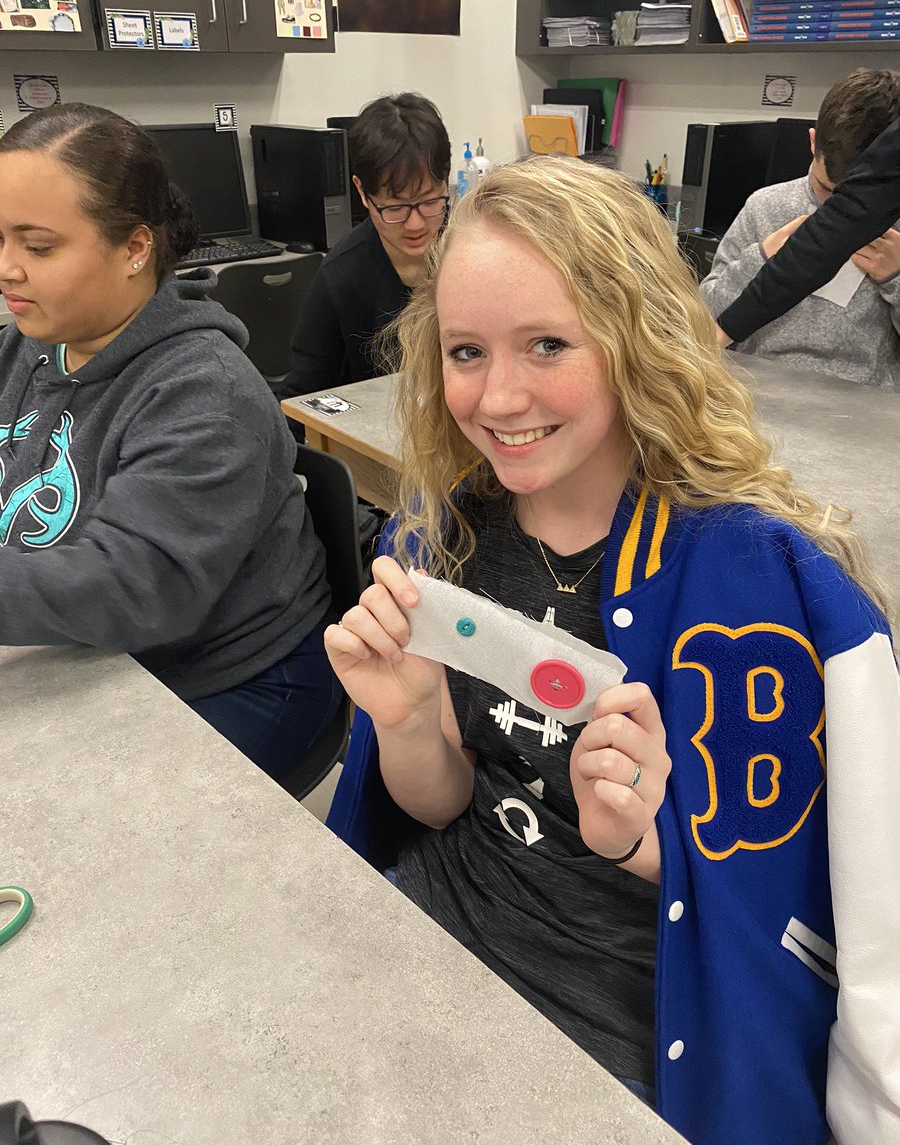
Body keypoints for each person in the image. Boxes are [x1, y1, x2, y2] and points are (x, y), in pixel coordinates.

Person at [323, 155, 900, 1145]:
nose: (499, 398)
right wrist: (408, 718)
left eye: (546, 344)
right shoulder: (445, 540)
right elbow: (439, 803)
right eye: (465, 352)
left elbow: (812, 921)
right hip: (440, 922)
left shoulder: (768, 593)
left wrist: (639, 839)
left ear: (636, 340)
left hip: (633, 1002)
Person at [0, 103, 341, 781]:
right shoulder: (29, 339)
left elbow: (136, 586)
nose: (8, 269)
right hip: (101, 645)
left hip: (230, 675)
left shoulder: (205, 394)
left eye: (38, 247)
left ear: (135, 248)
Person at [701, 69, 900, 388]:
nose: (836, 213)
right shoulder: (765, 206)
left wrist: (896, 278)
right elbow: (705, 315)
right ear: (812, 142)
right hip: (753, 385)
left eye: (858, 204)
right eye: (825, 188)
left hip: (862, 403)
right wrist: (761, 257)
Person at [275, 92, 451, 400]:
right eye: (395, 207)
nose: (416, 224)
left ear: (446, 181)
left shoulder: (471, 249)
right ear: (362, 192)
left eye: (429, 201)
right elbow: (302, 396)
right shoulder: (341, 276)